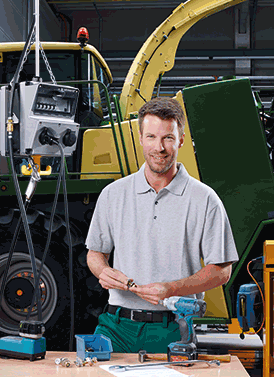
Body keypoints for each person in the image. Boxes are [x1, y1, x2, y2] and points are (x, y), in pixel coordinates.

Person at [85, 97, 238, 353]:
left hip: (173, 327)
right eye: (152, 137)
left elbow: (222, 271)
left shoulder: (205, 199)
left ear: (180, 139)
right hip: (116, 325)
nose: (160, 148)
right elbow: (95, 254)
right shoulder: (113, 194)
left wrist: (171, 289)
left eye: (168, 138)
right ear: (140, 138)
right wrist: (102, 270)